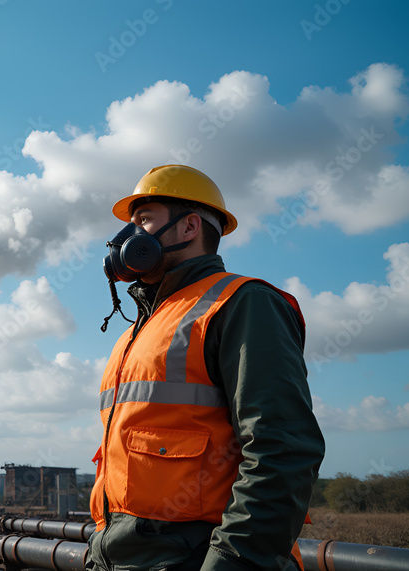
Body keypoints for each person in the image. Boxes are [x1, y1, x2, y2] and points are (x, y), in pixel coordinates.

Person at [89, 165, 325, 571]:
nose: (129, 238)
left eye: (144, 220)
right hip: (121, 559)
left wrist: (232, 562)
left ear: (189, 226)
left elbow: (282, 448)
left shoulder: (242, 303)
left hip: (193, 557)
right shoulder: (141, 328)